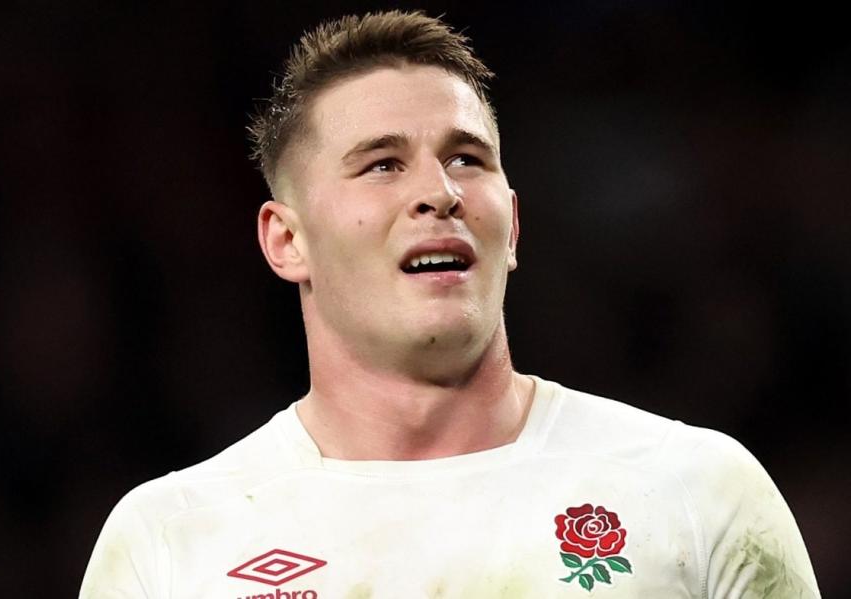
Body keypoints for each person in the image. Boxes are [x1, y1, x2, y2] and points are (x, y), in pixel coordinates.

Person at [80, 10, 819, 598]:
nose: (439, 190)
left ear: (514, 225)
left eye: (467, 157)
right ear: (286, 240)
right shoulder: (171, 541)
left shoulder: (695, 493)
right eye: (381, 164)